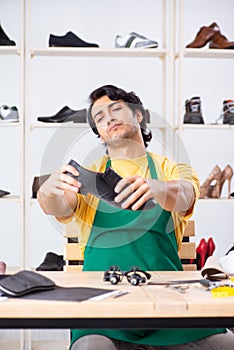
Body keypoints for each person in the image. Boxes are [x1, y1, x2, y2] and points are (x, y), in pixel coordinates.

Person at [37, 85, 234, 349]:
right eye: (100, 118)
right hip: (103, 306)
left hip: (169, 306)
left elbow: (186, 194)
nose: (108, 118)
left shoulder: (170, 168)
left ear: (139, 115)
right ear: (100, 134)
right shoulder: (89, 175)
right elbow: (59, 206)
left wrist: (157, 187)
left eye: (116, 109)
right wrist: (48, 192)